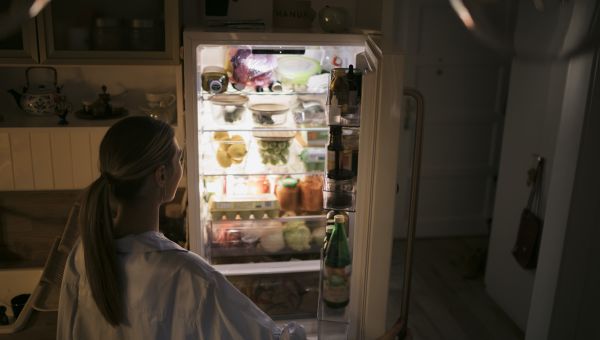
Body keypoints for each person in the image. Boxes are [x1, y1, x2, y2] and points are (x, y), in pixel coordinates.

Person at [57, 116, 306, 340]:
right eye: (179, 157)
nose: (182, 165)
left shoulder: (82, 255)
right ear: (162, 176)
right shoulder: (191, 277)